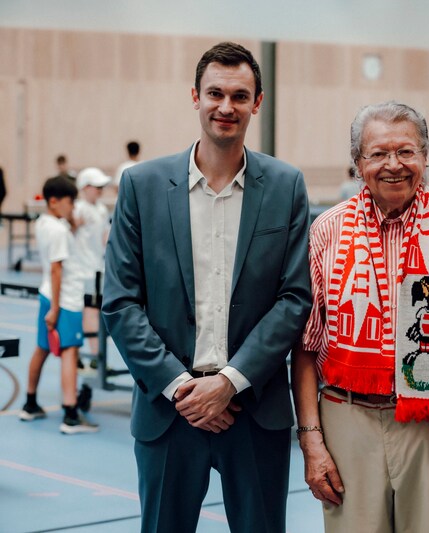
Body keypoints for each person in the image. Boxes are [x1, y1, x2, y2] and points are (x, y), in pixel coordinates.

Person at [101, 42, 311, 532]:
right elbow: (121, 302)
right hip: (169, 411)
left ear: (257, 102)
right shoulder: (142, 186)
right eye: (215, 93)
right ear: (194, 97)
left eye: (240, 96)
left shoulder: (285, 186)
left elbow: (294, 297)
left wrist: (229, 382)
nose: (226, 107)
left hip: (253, 408)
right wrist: (183, 389)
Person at [292, 101, 429, 533]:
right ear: (358, 164)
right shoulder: (327, 230)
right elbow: (306, 345)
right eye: (378, 154)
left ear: (425, 157)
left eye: (407, 152)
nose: (394, 165)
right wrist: (311, 438)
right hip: (346, 417)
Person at [19, 177, 98, 433]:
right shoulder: (59, 231)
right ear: (54, 201)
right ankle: (71, 415)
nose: (73, 207)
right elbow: (56, 270)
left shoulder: (46, 223)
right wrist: (56, 308)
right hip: (64, 300)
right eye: (70, 202)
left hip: (48, 296)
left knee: (42, 348)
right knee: (70, 352)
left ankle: (30, 404)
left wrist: (72, 222)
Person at [73, 168, 111, 355]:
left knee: (93, 311)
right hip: (80, 271)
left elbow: (105, 237)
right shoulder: (78, 209)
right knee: (89, 311)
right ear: (85, 187)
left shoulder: (102, 209)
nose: (100, 190)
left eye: (101, 187)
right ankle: (95, 355)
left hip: (97, 268)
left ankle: (92, 354)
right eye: (96, 186)